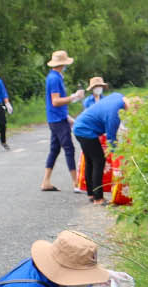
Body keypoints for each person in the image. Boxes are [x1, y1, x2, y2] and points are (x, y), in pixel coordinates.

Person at [72, 89, 134, 205]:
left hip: (79, 126)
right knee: (99, 161)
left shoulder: (118, 96)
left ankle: (91, 194)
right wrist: (117, 154)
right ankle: (98, 198)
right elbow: (111, 138)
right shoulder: (114, 114)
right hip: (85, 130)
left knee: (90, 161)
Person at [40, 50, 83, 192]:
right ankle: (76, 182)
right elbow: (56, 101)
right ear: (62, 64)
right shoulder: (54, 79)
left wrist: (67, 116)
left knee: (55, 149)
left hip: (57, 117)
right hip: (57, 119)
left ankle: (46, 181)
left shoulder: (56, 77)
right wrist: (74, 97)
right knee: (69, 148)